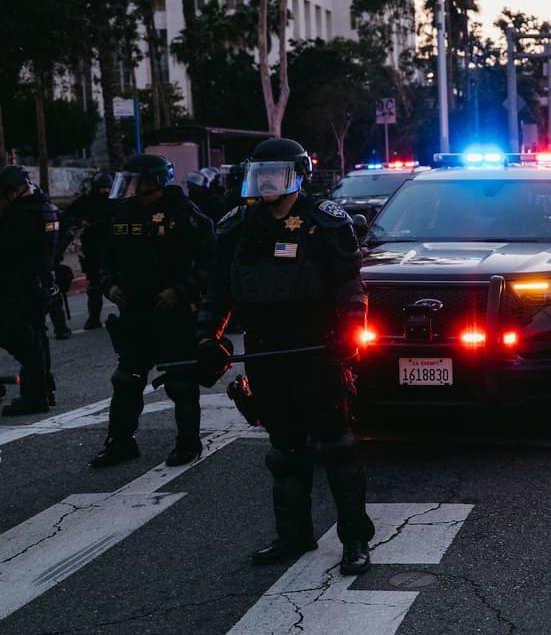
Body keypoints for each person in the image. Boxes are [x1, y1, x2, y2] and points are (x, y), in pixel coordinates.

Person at [195, 137, 375, 575]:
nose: (268, 183)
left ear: (297, 175)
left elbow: (350, 285)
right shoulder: (238, 225)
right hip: (265, 351)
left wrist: (350, 331)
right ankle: (293, 536)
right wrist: (208, 338)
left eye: (276, 174)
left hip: (318, 350)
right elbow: (218, 291)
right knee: (284, 450)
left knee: (337, 447)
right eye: (261, 174)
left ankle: (355, 540)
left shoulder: (324, 222)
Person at [90, 154, 214, 468]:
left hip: (171, 313)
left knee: (180, 381)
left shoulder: (184, 214)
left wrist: (181, 290)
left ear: (152, 180)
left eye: (136, 179)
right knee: (127, 380)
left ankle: (188, 442)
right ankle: (120, 441)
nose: (130, 185)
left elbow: (210, 260)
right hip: (134, 312)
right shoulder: (121, 214)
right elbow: (103, 257)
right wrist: (108, 285)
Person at [0, 166, 59, 416]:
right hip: (38, 283)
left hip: (18, 285)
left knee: (24, 341)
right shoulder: (45, 208)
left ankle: (35, 397)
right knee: (36, 336)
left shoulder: (19, 216)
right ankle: (44, 390)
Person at [61, 172, 115, 330]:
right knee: (95, 286)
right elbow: (66, 216)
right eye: (102, 188)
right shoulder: (85, 202)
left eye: (107, 187)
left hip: (113, 248)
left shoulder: (115, 202)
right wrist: (81, 222)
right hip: (93, 248)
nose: (105, 191)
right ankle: (93, 318)